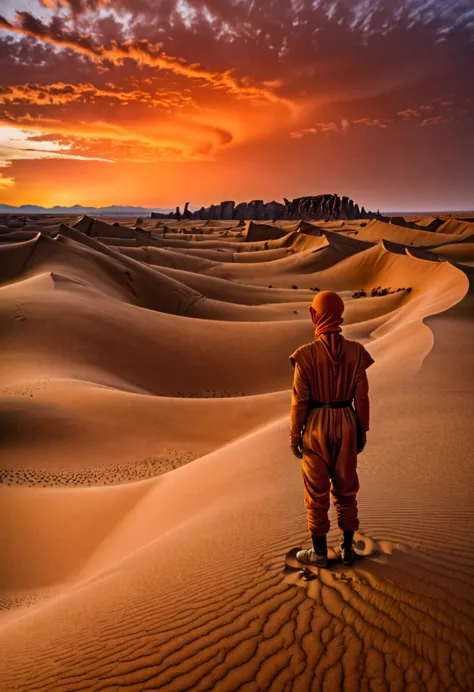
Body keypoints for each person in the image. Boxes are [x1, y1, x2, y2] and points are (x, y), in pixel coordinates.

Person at [289, 290, 374, 567]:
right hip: (347, 423)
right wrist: (361, 431)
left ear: (315, 315)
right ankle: (348, 550)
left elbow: (299, 402)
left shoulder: (305, 356)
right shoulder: (357, 352)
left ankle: (320, 554)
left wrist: (295, 436)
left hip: (315, 426)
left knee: (316, 493)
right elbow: (361, 398)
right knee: (346, 489)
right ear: (339, 314)